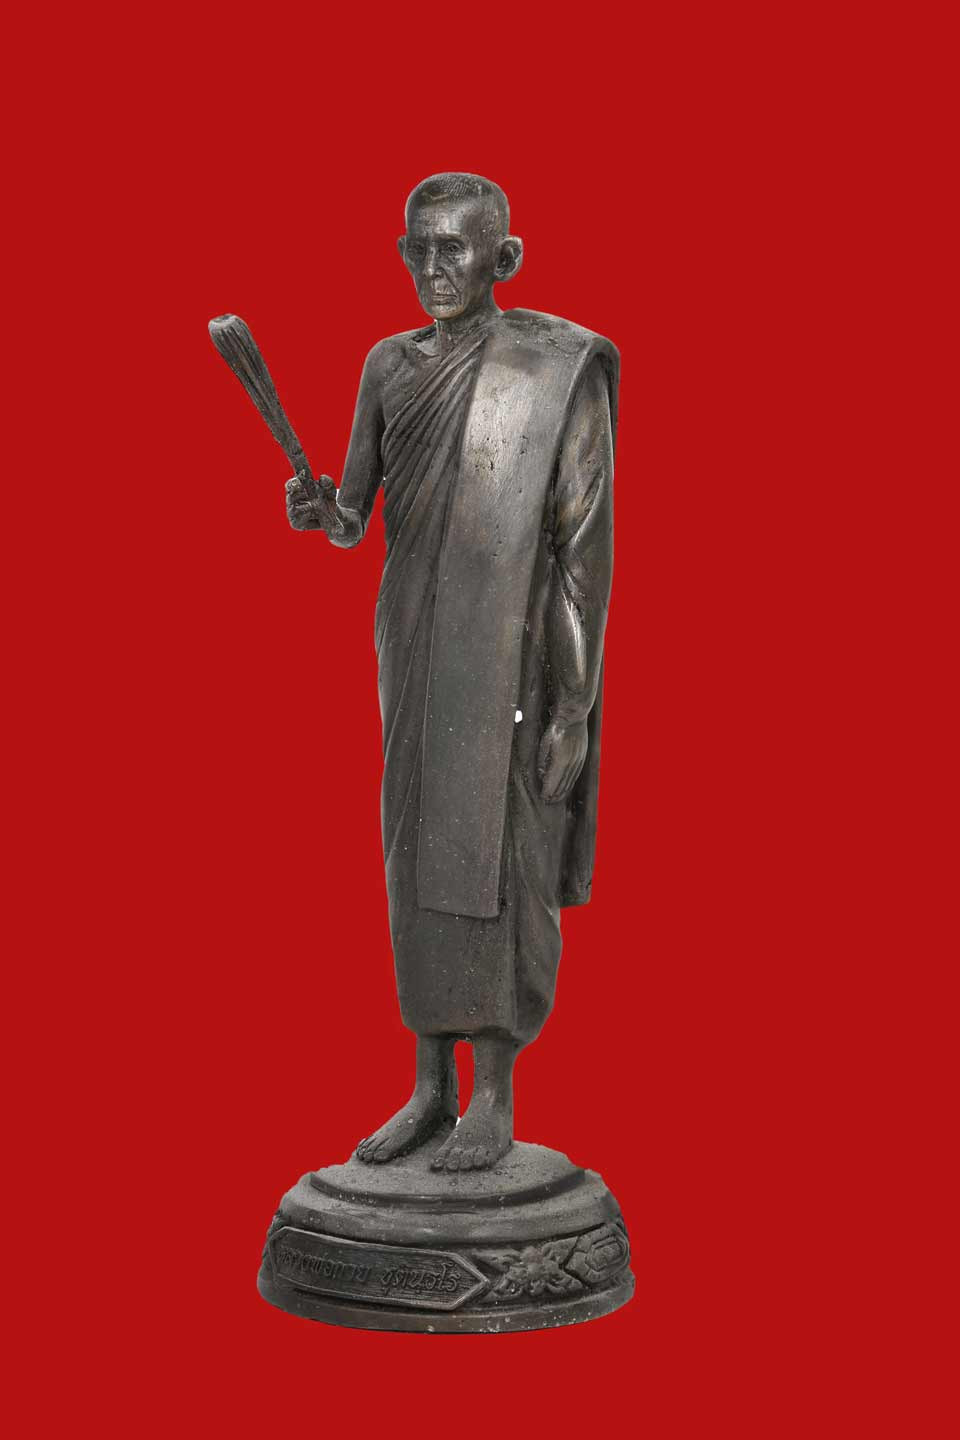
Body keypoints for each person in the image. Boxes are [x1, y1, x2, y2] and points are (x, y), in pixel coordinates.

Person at [285, 172, 617, 1172]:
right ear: (401, 253)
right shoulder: (388, 365)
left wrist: (574, 704)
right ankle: (430, 1086)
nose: (436, 269)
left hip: (509, 648)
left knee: (496, 853)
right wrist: (323, 512)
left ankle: (493, 1096)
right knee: (414, 851)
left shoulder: (552, 369)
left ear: (502, 258)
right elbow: (356, 513)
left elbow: (581, 550)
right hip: (412, 637)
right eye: (420, 249)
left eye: (457, 250)